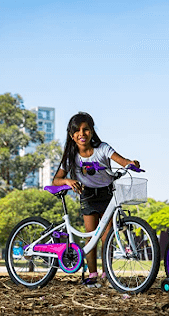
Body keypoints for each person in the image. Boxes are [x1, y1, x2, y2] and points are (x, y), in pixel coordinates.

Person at [52, 112, 140, 288]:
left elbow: (121, 160)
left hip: (107, 195)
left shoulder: (102, 149)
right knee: (91, 235)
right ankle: (92, 274)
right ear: (71, 135)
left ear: (92, 131)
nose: (81, 134)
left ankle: (106, 273)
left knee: (107, 237)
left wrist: (131, 163)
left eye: (86, 130)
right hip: (88, 196)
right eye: (77, 131)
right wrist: (68, 181)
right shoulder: (71, 155)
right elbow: (56, 179)